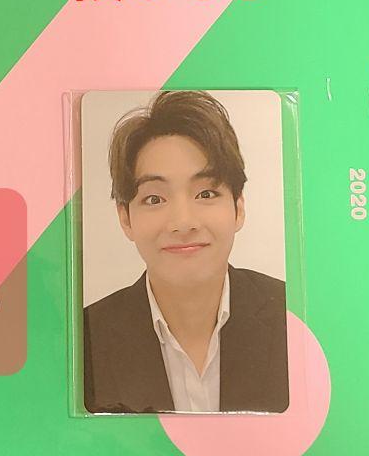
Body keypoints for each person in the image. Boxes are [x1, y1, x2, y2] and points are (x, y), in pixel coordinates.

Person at [83, 90, 289, 414]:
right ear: (125, 218)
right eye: (154, 199)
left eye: (206, 193)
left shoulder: (295, 316)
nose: (183, 222)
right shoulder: (83, 340)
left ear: (238, 208)